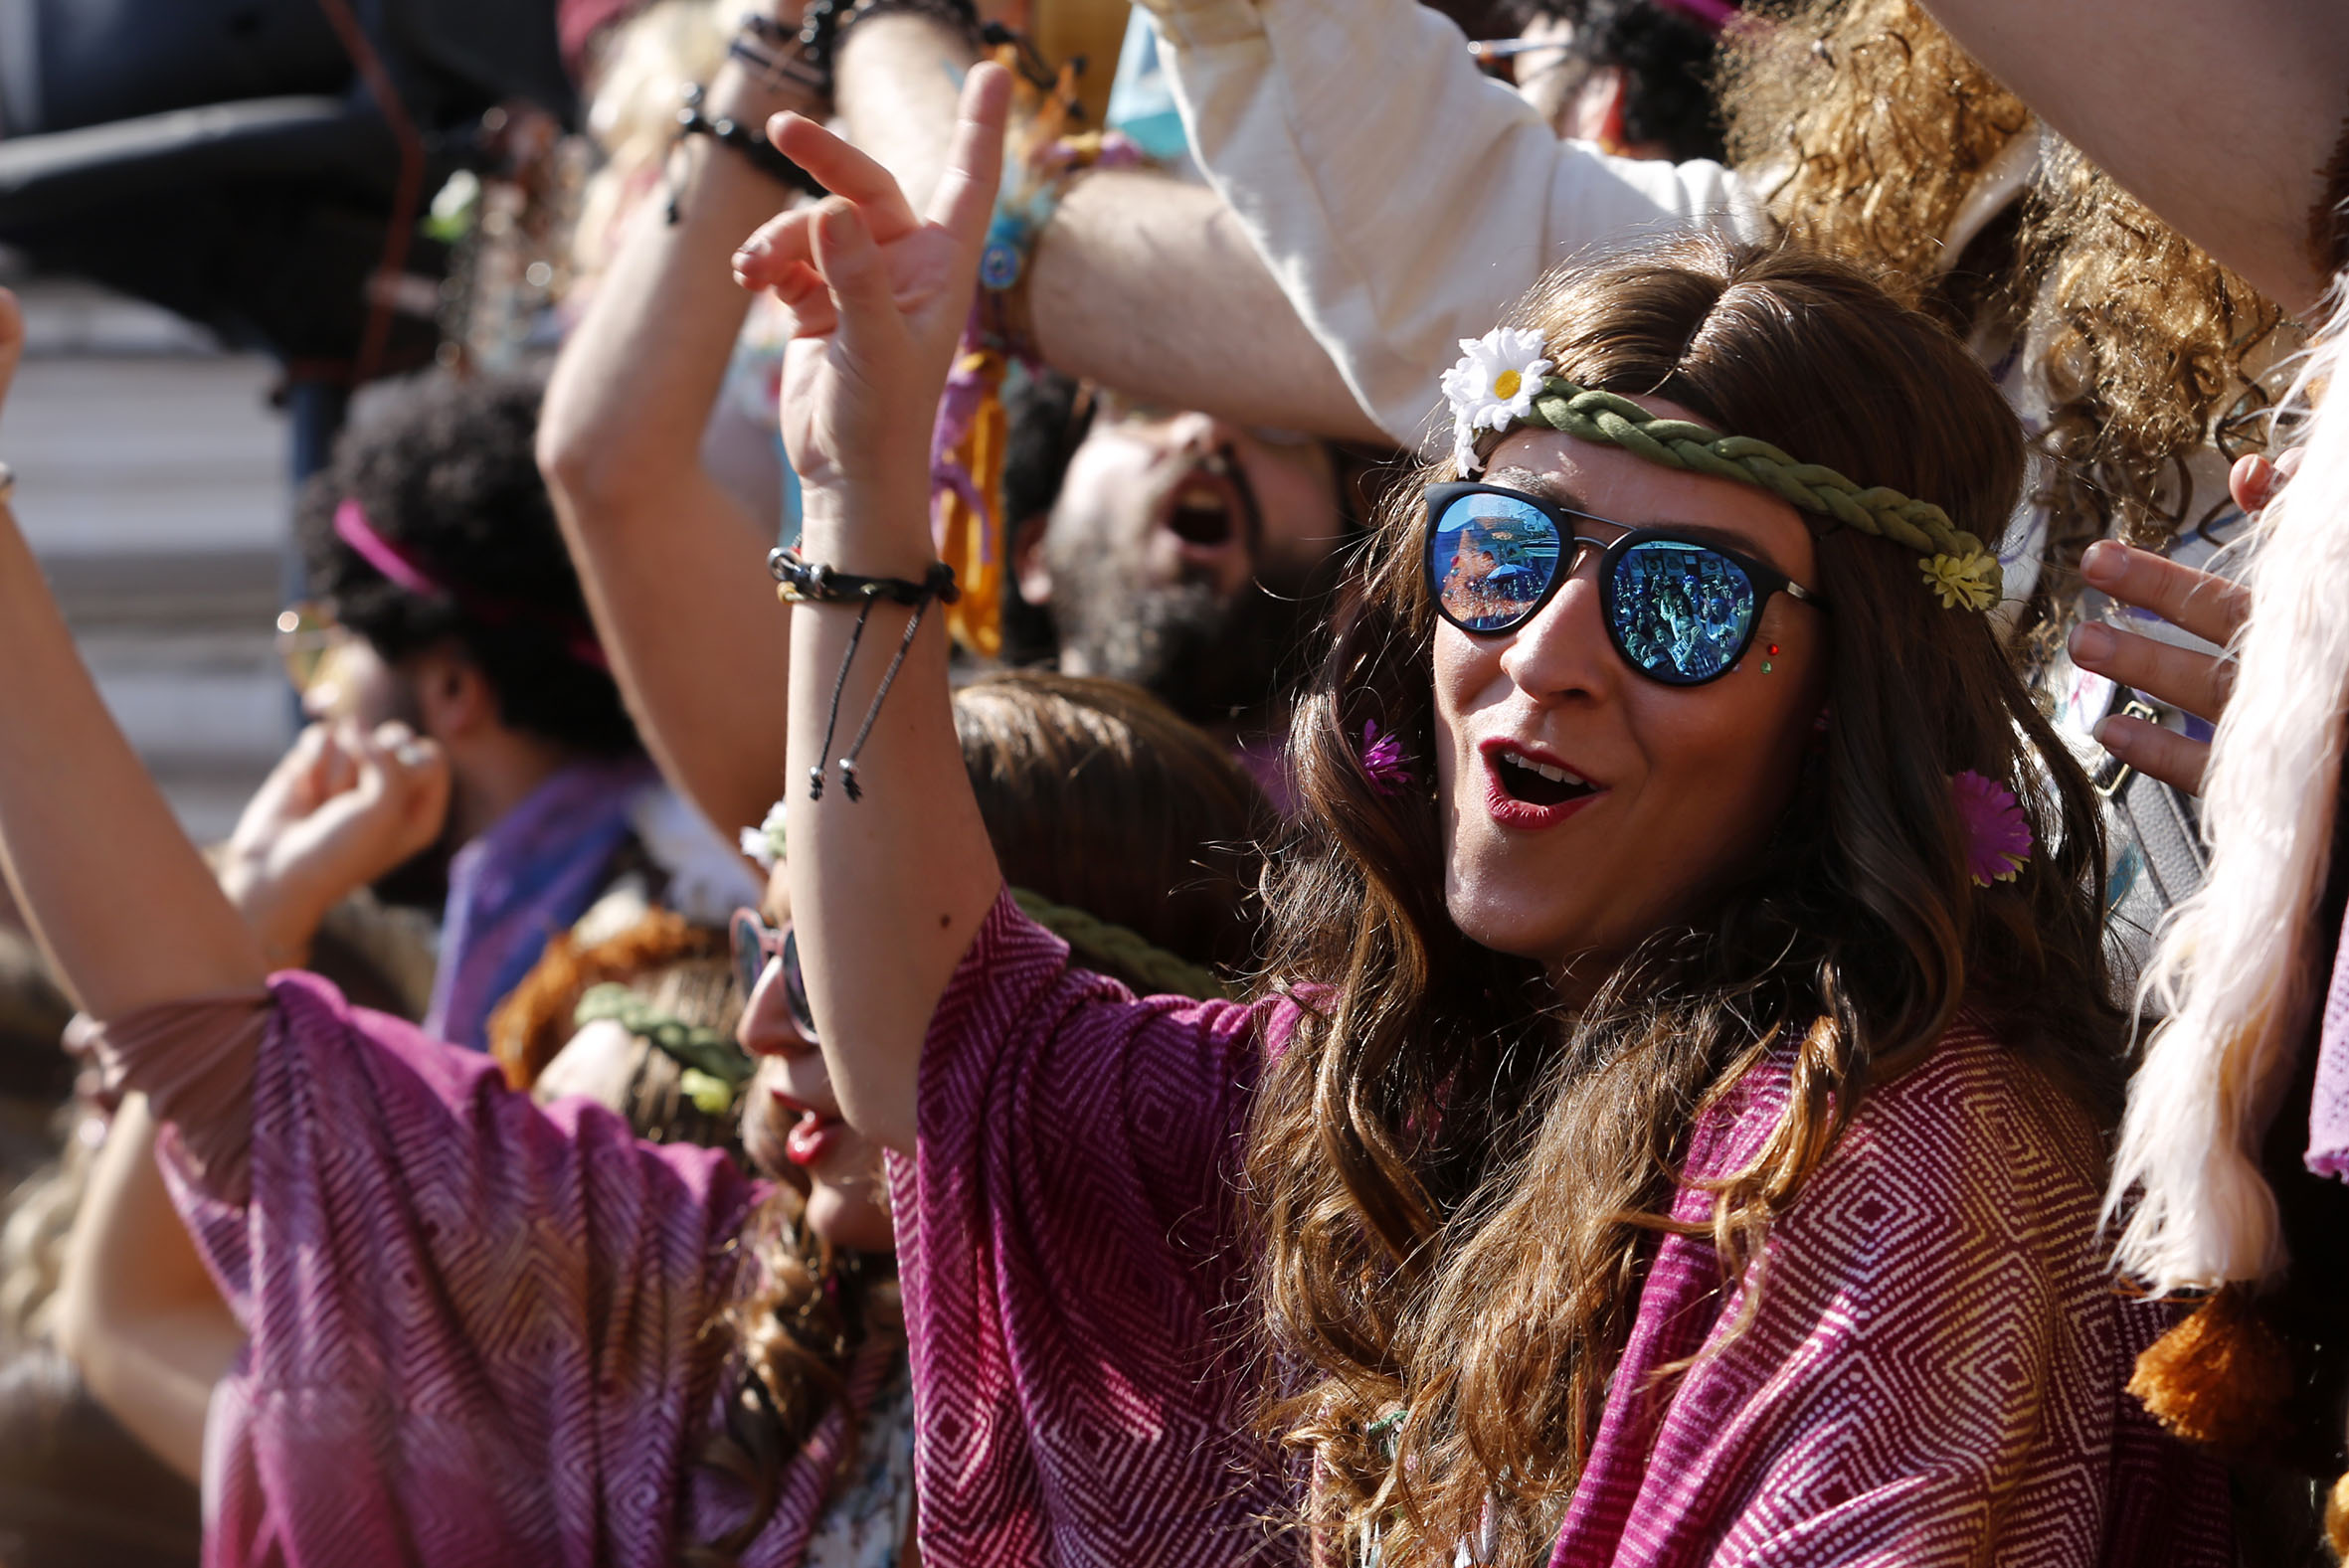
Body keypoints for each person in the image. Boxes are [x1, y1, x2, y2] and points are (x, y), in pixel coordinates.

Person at [756, 72, 2231, 1562]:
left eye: (1680, 601)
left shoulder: (1903, 1184)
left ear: (1852, 697)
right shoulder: (1429, 1082)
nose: (1543, 652)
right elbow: (934, 1045)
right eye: (1504, 553)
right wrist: (859, 488)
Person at [0, 271, 1276, 1563]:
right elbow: (223, 1066)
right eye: (766, 945)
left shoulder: (1300, 1389)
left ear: (1099, 1038)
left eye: (832, 968)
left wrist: (857, 494)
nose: (762, 1023)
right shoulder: (698, 1326)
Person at [539, 0, 1367, 842]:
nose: (1205, 430)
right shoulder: (880, 831)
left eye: (1277, 424)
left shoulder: (853, 823)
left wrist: (785, 47)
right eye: (1144, 405)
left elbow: (608, 465)